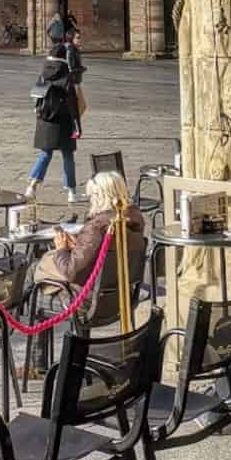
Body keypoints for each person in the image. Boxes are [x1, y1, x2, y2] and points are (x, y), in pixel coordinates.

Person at [34, 170, 145, 298]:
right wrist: (79, 244)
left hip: (89, 298)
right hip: (124, 295)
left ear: (98, 196)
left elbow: (71, 271)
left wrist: (62, 249)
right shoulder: (135, 218)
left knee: (39, 266)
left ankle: (25, 307)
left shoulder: (96, 227)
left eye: (91, 196)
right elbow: (101, 250)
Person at [25, 41, 81, 202]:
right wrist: (77, 126)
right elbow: (73, 104)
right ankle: (71, 192)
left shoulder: (43, 74)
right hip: (64, 120)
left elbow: (36, 97)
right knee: (68, 155)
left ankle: (31, 187)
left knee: (45, 154)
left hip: (45, 120)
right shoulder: (67, 76)